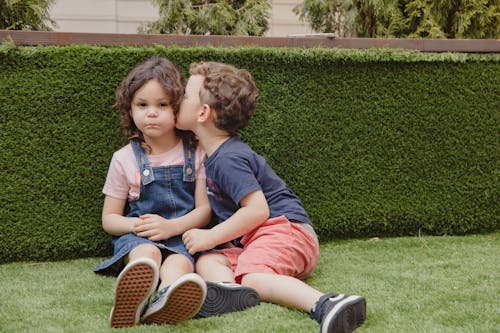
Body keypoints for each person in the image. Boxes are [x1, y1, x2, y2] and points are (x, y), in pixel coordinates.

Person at [177, 61, 367, 333]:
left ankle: (326, 303)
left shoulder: (228, 158)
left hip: (285, 231)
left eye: (185, 96)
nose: (178, 100)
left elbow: (257, 211)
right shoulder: (214, 155)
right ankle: (230, 293)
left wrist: (210, 235)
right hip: (263, 240)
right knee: (209, 260)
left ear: (203, 113)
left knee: (253, 275)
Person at [93, 56, 210, 328]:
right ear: (130, 110)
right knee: (148, 254)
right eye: (142, 105)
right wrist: (140, 225)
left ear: (177, 108)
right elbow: (109, 219)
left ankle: (167, 295)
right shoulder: (123, 158)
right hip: (141, 237)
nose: (152, 113)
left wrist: (171, 227)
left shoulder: (196, 153)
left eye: (162, 104)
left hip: (182, 234)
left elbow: (204, 211)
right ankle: (134, 296)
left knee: (179, 262)